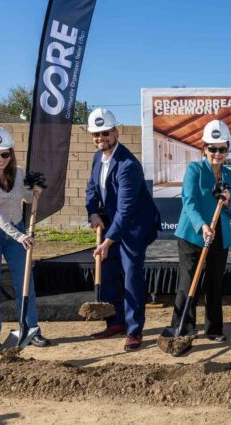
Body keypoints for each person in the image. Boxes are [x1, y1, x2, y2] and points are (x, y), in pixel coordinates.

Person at [85, 108, 161, 352]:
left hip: (134, 227)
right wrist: (93, 212)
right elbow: (91, 189)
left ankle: (134, 330)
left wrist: (107, 242)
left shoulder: (128, 164)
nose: (100, 138)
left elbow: (126, 210)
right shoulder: (98, 158)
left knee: (131, 277)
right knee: (107, 274)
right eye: (96, 134)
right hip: (112, 224)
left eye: (105, 133)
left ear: (116, 132)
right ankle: (115, 322)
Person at [0, 125, 50, 352]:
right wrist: (20, 236)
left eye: (5, 154)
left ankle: (31, 328)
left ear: (11, 152)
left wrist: (35, 190)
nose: (0, 159)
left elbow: (25, 197)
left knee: (25, 282)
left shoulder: (18, 173)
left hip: (16, 229)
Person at [168, 119, 231, 350]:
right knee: (188, 282)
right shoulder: (195, 170)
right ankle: (183, 329)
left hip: (219, 236)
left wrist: (229, 202)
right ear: (204, 148)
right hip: (192, 234)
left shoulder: (230, 176)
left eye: (222, 149)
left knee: (214, 284)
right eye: (212, 148)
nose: (217, 153)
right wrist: (202, 225)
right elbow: (188, 201)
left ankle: (214, 328)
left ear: (228, 149)